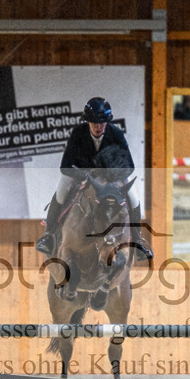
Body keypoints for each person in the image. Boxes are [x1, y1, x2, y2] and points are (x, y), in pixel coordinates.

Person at [35, 97, 153, 260]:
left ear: (107, 122)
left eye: (102, 123)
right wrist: (84, 175)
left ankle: (138, 241)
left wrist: (112, 173)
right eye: (94, 123)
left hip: (110, 177)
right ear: (87, 121)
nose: (98, 127)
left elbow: (129, 166)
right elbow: (65, 166)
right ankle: (48, 236)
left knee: (134, 198)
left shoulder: (115, 133)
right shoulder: (78, 133)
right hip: (81, 174)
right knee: (61, 192)